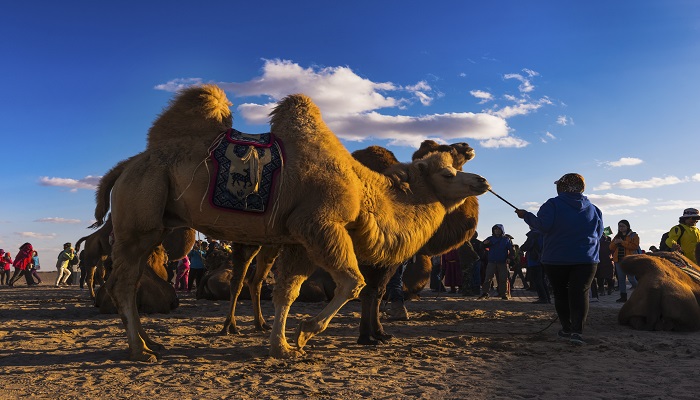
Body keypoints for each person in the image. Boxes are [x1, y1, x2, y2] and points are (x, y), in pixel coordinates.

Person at [515, 173, 602, 345]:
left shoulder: (552, 204)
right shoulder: (594, 208)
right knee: (580, 293)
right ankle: (577, 332)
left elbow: (542, 226)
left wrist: (526, 216)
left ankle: (566, 329)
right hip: (586, 259)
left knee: (561, 293)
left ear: (561, 187)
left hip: (557, 258)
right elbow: (598, 233)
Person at [478, 224, 513, 300]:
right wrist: (484, 244)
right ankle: (485, 293)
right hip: (491, 262)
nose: (497, 231)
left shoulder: (506, 239)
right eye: (495, 229)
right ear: (493, 230)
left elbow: (512, 251)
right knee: (488, 278)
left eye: (499, 229)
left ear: (502, 230)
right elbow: (481, 246)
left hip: (502, 262)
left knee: (503, 278)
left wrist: (509, 258)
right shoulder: (490, 239)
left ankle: (503, 294)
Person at [610, 220, 639, 303]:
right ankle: (623, 297)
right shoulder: (617, 236)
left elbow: (635, 246)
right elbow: (611, 247)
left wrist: (622, 242)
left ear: (627, 227)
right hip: (618, 260)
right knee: (621, 279)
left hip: (629, 260)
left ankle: (640, 292)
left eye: (622, 226)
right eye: (619, 226)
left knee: (631, 278)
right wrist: (615, 243)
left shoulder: (634, 235)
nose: (621, 228)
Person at [521, 229, 550, 304]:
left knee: (537, 280)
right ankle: (547, 297)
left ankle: (543, 298)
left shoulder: (533, 234)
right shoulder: (544, 233)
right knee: (542, 280)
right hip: (543, 260)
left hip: (534, 260)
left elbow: (527, 246)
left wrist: (522, 248)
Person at [596, 230, 615, 296]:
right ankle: (606, 289)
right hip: (605, 261)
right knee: (603, 277)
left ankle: (604, 289)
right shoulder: (607, 242)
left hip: (604, 261)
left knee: (603, 277)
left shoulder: (606, 242)